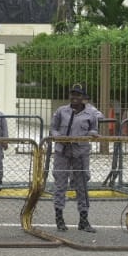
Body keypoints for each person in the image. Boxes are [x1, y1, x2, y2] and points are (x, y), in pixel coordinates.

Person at [50, 83, 101, 232]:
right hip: (63, 152)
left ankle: (83, 220)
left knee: (82, 185)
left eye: (78, 95)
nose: (74, 97)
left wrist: (92, 134)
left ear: (83, 98)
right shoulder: (61, 111)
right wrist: (59, 137)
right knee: (60, 185)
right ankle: (59, 219)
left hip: (80, 152)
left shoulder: (90, 114)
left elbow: (94, 129)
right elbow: (53, 128)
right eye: (72, 94)